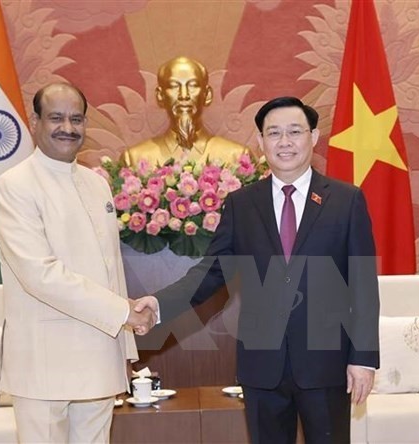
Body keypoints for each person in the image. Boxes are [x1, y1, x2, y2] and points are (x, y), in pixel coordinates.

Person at [135, 96, 380, 443]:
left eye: (295, 132)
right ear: (261, 141)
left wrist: (364, 359)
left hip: (328, 363)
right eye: (274, 133)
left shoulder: (346, 200)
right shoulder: (241, 204)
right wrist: (160, 304)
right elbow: (212, 272)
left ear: (314, 136)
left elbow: (364, 288)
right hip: (262, 365)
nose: (285, 142)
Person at [0, 82, 156, 443]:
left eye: (76, 119)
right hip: (45, 362)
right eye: (56, 118)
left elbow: (111, 270)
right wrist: (123, 312)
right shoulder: (13, 186)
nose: (68, 127)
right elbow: (39, 274)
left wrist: (124, 348)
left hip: (99, 355)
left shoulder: (97, 185)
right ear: (35, 122)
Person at [121, 56, 249, 167]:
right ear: (160, 96)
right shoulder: (134, 159)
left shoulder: (237, 157)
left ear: (207, 95)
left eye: (193, 85)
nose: (184, 95)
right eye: (173, 86)